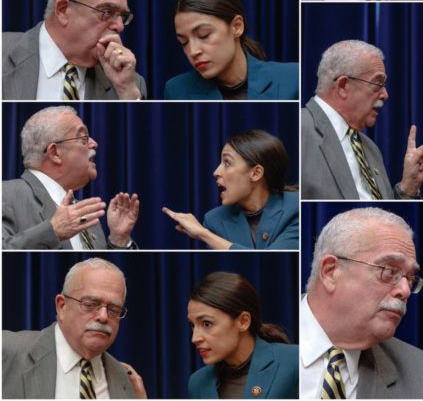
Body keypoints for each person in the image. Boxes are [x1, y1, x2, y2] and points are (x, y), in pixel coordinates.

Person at [301, 206, 423, 398]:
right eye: (389, 271)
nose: (405, 291)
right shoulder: (261, 340)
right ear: (331, 272)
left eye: (411, 278)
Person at [302, 40, 423, 199]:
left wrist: (407, 188)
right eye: (377, 84)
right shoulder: (300, 128)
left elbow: (379, 214)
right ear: (343, 86)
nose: (385, 95)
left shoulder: (370, 148)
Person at [3, 0, 146, 100]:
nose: (120, 26)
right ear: (63, 10)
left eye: (123, 16)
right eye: (107, 12)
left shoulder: (130, 84)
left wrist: (127, 92)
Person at [2, 258, 145, 399]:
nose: (103, 316)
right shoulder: (7, 351)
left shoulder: (126, 382)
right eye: (90, 304)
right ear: (61, 306)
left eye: (113, 309)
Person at [3, 105, 140, 250]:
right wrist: (52, 231)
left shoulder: (85, 215)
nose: (94, 144)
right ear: (55, 153)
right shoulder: (6, 194)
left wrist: (118, 240)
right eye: (83, 138)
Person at [163, 130, 298, 249]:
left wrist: (203, 233)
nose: (216, 172)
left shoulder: (295, 208)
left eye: (227, 163)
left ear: (256, 173)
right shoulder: (214, 220)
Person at [164, 0, 298, 100]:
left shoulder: (292, 77)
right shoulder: (176, 90)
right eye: (184, 42)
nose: (193, 51)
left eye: (204, 35)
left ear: (237, 26)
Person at [187, 272, 298, 398]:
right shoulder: (197, 383)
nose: (195, 338)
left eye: (207, 324)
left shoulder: (293, 361)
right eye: (192, 325)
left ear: (243, 321)